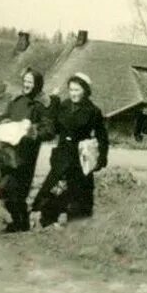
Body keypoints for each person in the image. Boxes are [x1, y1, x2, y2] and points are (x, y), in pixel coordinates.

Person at [31, 72, 109, 228]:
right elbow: (54, 126)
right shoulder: (64, 106)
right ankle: (47, 222)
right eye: (71, 90)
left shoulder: (93, 111)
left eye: (77, 90)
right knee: (52, 192)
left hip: (80, 161)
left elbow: (102, 137)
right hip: (61, 157)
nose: (73, 93)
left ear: (85, 91)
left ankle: (76, 228)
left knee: (78, 198)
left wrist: (101, 158)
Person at [0, 68, 48, 234]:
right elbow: (4, 116)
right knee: (3, 187)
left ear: (37, 85)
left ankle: (20, 223)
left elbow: (49, 130)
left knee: (18, 188)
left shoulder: (41, 106)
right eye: (25, 81)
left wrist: (30, 131)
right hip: (8, 152)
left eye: (30, 82)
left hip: (26, 154)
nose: (27, 84)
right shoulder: (16, 101)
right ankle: (19, 220)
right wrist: (4, 122)